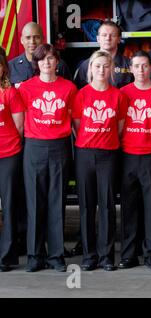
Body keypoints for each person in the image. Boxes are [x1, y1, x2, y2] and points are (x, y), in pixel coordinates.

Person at [18, 44, 77, 272]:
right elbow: (21, 122)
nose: (47, 63)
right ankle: (34, 255)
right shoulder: (26, 88)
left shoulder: (69, 88)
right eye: (42, 59)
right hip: (34, 147)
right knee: (34, 203)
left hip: (60, 147)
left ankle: (56, 256)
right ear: (37, 63)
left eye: (51, 59)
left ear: (57, 61)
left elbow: (73, 122)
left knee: (57, 201)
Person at [72, 50, 128, 271]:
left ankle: (106, 256)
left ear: (111, 69)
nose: (101, 70)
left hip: (109, 154)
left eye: (106, 66)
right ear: (90, 69)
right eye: (97, 66)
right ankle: (89, 256)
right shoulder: (81, 95)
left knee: (106, 206)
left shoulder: (119, 96)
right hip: (85, 154)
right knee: (86, 206)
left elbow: (120, 127)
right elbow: (77, 127)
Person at [119, 51, 151, 270]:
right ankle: (129, 254)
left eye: (144, 66)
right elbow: (118, 127)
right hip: (128, 155)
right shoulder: (123, 93)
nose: (140, 70)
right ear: (131, 69)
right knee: (129, 207)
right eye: (136, 66)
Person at [0, 48, 24, 272]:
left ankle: (6, 256)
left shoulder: (10, 93)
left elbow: (19, 127)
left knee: (8, 207)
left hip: (8, 155)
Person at [9, 22, 72, 86]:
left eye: (36, 37)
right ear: (22, 40)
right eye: (28, 38)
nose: (32, 42)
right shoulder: (11, 67)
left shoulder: (59, 65)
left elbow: (69, 91)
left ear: (43, 39)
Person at [73, 21, 133, 89]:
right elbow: (80, 94)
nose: (108, 38)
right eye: (104, 35)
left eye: (112, 35)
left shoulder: (129, 64)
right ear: (98, 39)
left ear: (119, 39)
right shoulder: (86, 65)